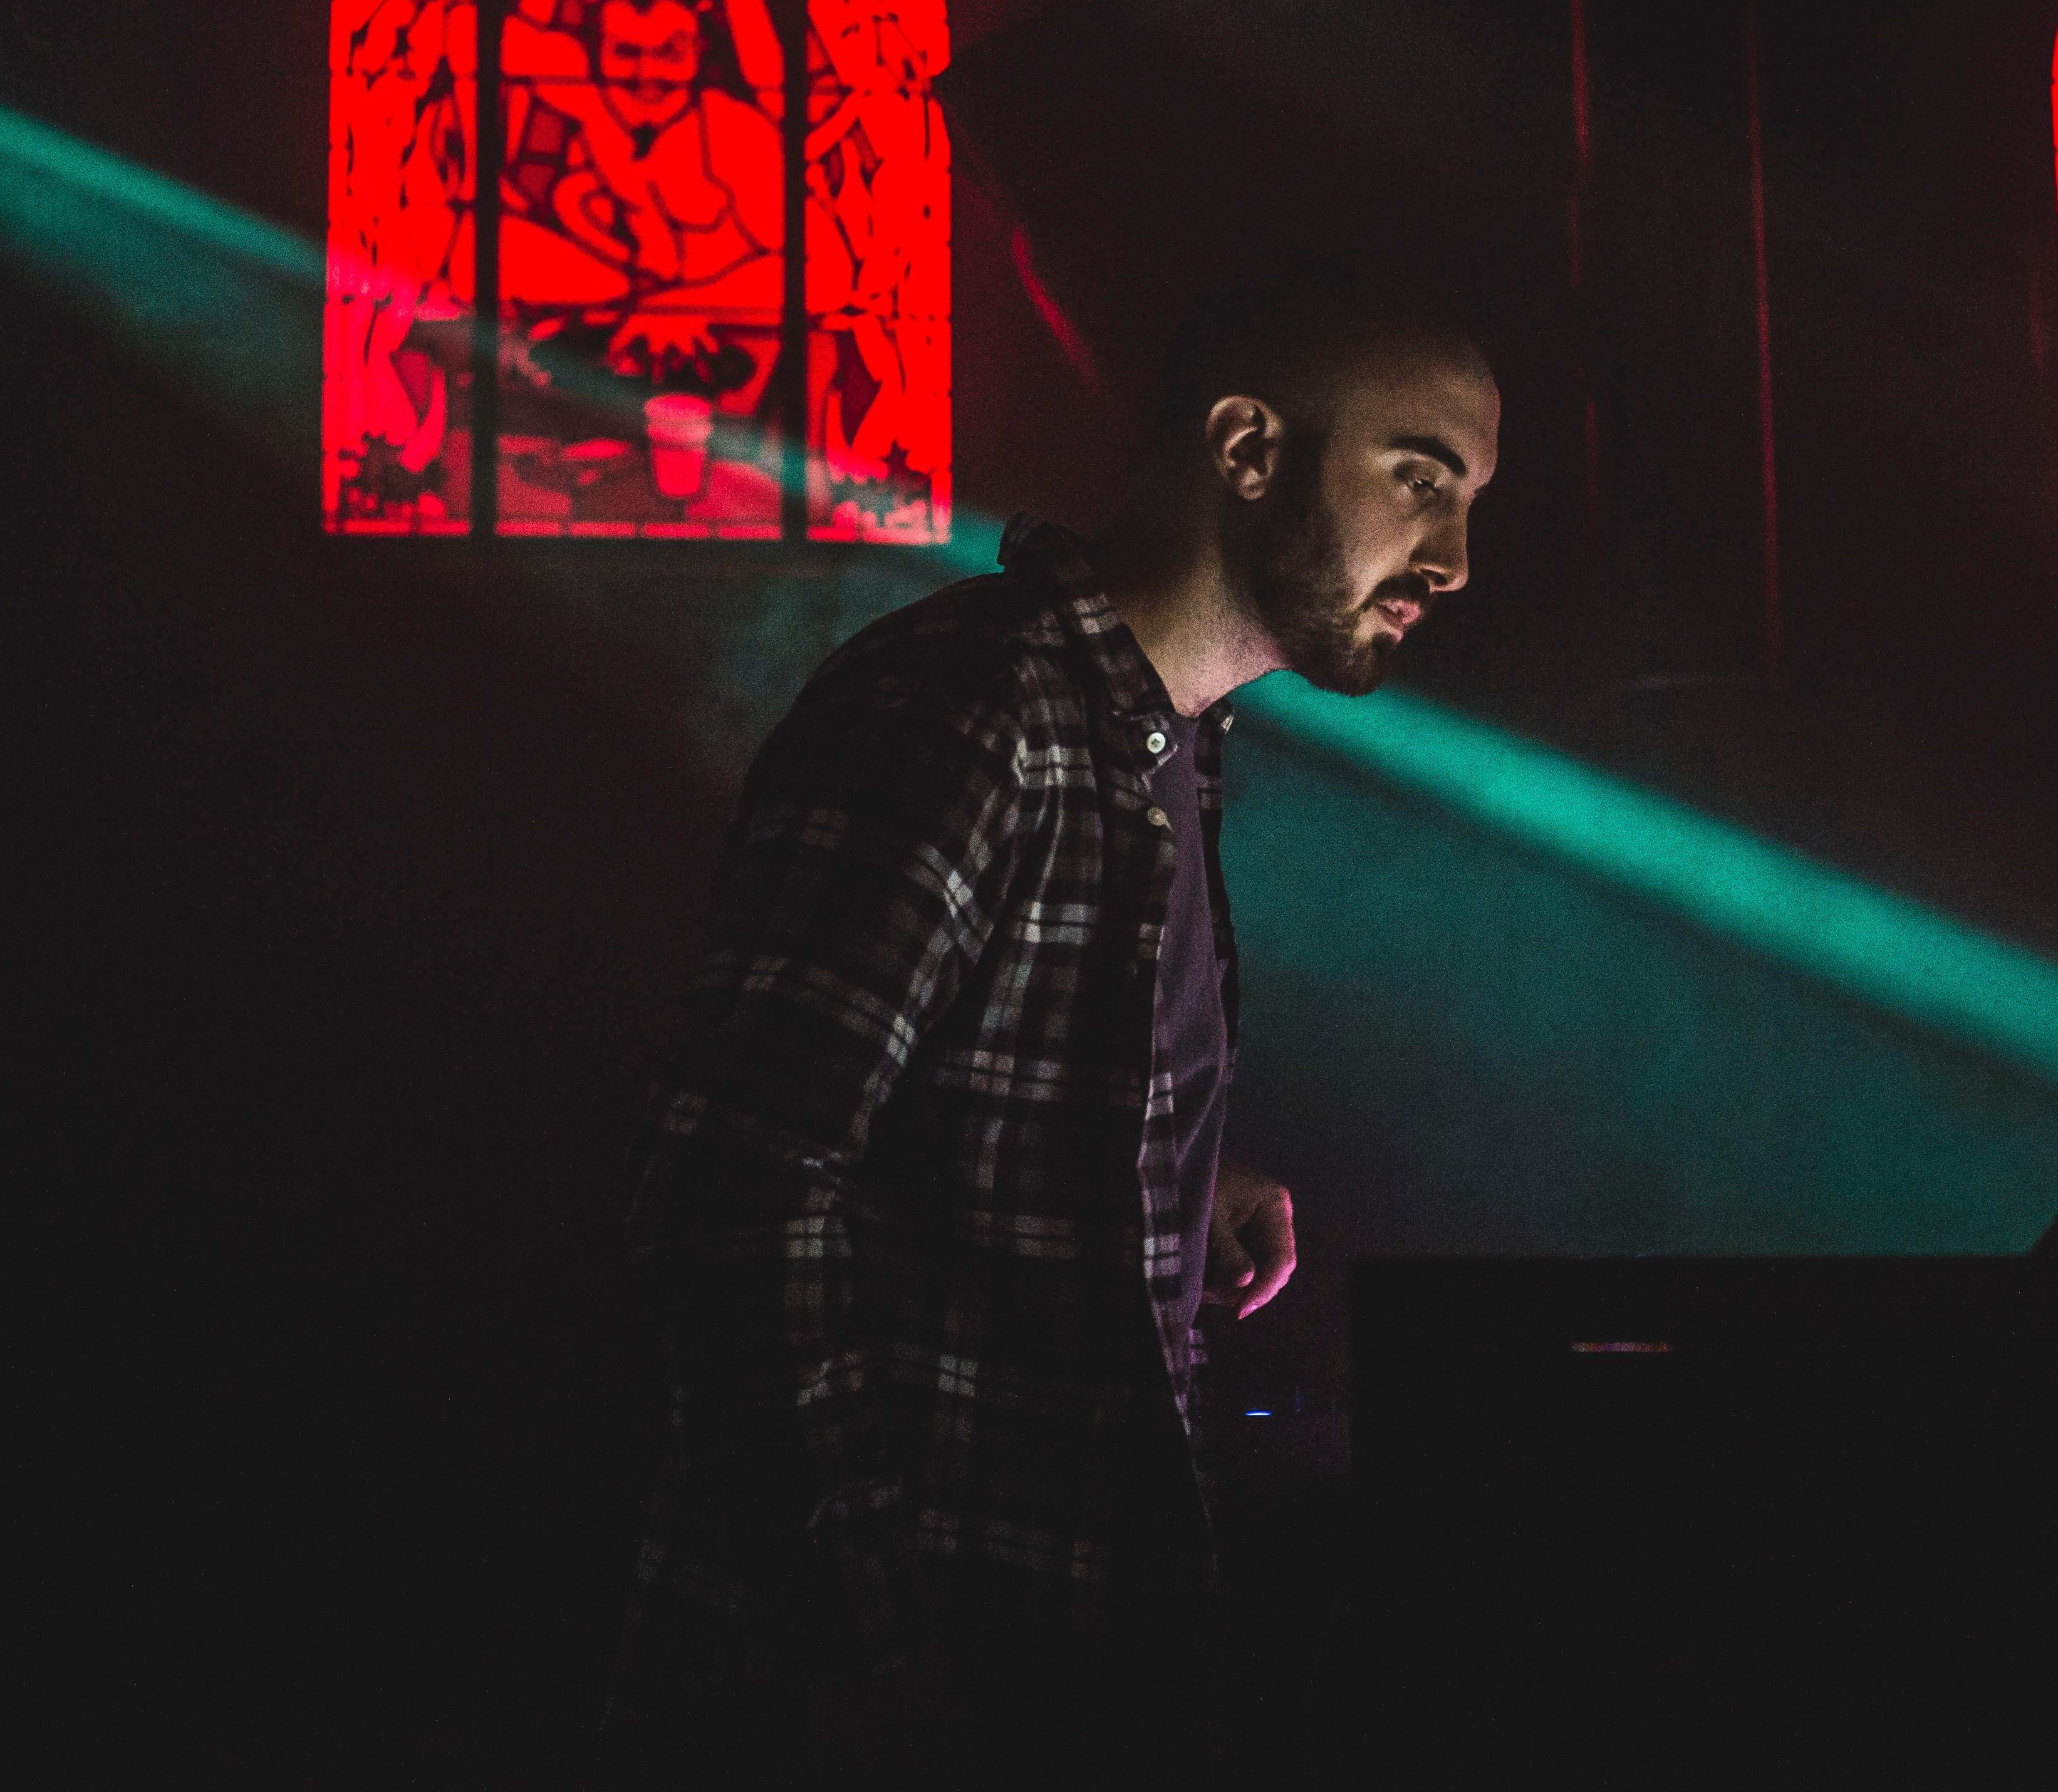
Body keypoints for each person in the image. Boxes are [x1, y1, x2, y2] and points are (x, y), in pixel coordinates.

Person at [600, 259, 1501, 1777]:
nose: (1456, 557)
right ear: (1248, 448)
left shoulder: (1157, 746)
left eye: (1468, 499)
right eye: (1421, 479)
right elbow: (732, 1186)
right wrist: (866, 1640)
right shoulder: (971, 708)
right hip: (883, 1695)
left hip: (1056, 1664)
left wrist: (1166, 1171)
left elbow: (935, 1104)